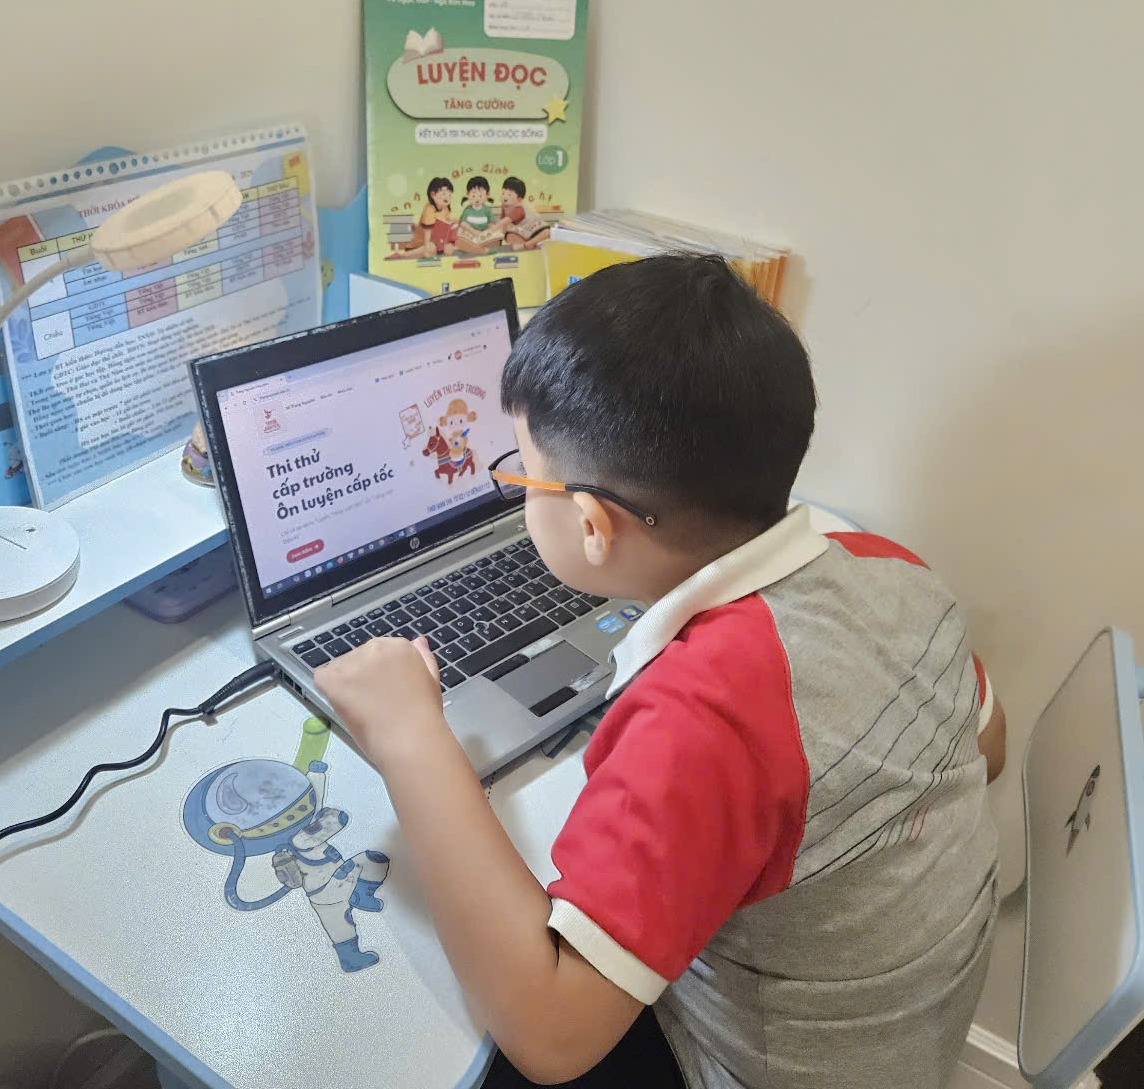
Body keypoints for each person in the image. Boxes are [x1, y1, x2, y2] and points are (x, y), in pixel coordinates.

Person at [315, 254, 1006, 1089]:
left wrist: (409, 736)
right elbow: (988, 745)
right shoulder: (887, 567)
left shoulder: (704, 717)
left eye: (521, 473)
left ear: (591, 524)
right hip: (904, 1035)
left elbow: (552, 1038)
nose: (518, 494)